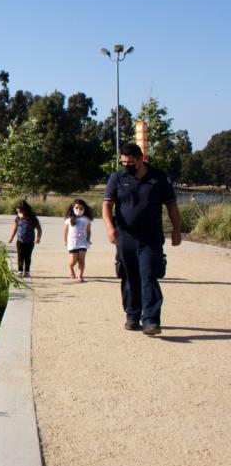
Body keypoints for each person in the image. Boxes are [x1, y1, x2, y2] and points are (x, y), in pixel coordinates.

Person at [102, 142, 182, 336]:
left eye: (130, 162)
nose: (126, 165)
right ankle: (132, 315)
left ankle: (151, 320)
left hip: (151, 238)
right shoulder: (117, 178)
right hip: (125, 237)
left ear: (141, 159)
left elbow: (171, 205)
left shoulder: (158, 177)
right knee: (129, 277)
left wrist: (177, 229)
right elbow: (107, 205)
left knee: (148, 275)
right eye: (123, 162)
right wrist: (110, 228)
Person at [7, 200, 42, 277]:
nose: (19, 212)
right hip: (20, 240)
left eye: (20, 210)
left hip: (30, 240)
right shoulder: (17, 218)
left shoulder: (32, 218)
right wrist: (11, 238)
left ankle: (26, 271)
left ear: (25, 210)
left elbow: (39, 229)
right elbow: (15, 228)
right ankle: (20, 271)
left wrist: (38, 238)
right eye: (18, 210)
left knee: (27, 256)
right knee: (20, 256)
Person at [62, 199, 93, 282]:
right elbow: (65, 231)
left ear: (84, 209)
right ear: (73, 208)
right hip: (72, 242)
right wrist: (65, 241)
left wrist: (88, 239)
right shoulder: (68, 220)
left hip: (82, 242)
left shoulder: (86, 219)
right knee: (73, 261)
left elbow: (88, 231)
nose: (79, 210)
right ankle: (71, 268)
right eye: (77, 208)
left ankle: (80, 275)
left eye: (81, 208)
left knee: (81, 260)